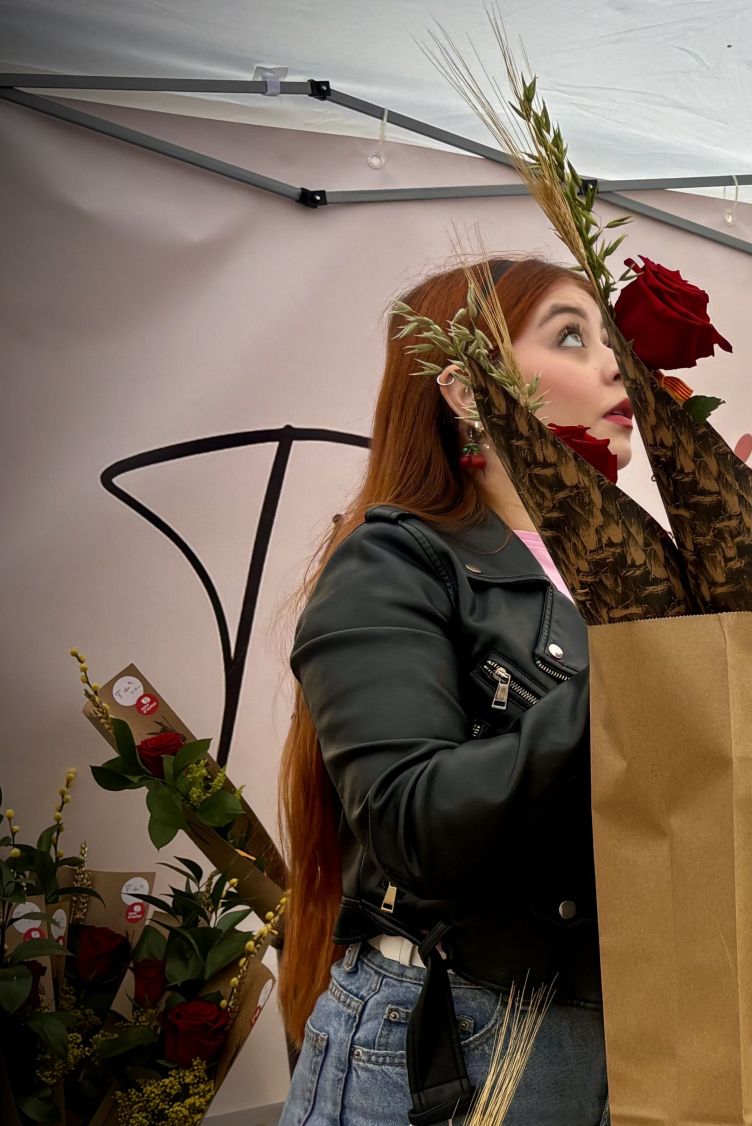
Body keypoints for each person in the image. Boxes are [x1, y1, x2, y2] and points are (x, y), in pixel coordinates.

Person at [276, 257, 630, 1125]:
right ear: (469, 391)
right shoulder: (394, 561)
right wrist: (646, 669)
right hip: (449, 1039)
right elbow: (411, 819)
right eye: (572, 336)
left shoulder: (622, 577)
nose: (616, 364)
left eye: (612, 337)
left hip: (616, 1038)